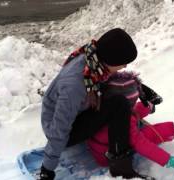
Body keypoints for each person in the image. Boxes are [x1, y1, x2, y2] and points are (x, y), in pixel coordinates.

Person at [38, 28, 151, 180]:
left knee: (117, 96)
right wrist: (47, 168)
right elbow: (59, 129)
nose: (124, 67)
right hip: (60, 128)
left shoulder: (93, 60)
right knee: (120, 104)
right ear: (111, 60)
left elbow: (115, 79)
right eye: (123, 63)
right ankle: (121, 167)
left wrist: (142, 89)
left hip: (80, 109)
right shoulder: (74, 86)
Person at [86, 72, 174, 177]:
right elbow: (141, 144)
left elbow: (130, 110)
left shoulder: (100, 105)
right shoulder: (124, 121)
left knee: (133, 114)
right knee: (145, 135)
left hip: (99, 143)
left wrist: (145, 107)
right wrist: (167, 159)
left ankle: (148, 107)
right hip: (107, 156)